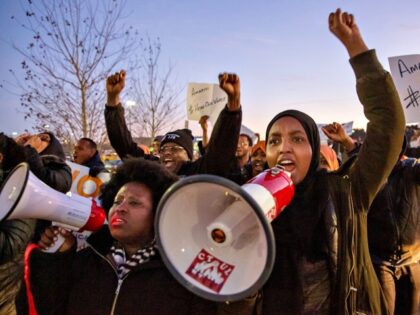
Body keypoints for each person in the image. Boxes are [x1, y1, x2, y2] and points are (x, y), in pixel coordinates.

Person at [261, 9, 405, 315]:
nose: (284, 148)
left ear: (314, 150)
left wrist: (357, 49)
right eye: (274, 140)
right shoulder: (252, 206)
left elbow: (389, 124)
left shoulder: (346, 192)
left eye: (297, 139)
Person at [27, 158, 257, 315]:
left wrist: (238, 282)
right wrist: (56, 259)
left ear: (159, 214)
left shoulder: (181, 273)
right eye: (117, 201)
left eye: (134, 203)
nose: (121, 208)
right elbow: (49, 307)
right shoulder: (85, 260)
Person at [105, 71, 241, 177]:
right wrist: (112, 101)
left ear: (189, 155)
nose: (167, 153)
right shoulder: (152, 171)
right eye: (163, 149)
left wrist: (233, 105)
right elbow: (124, 146)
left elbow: (222, 148)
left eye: (175, 149)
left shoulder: (200, 170)